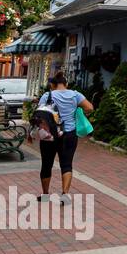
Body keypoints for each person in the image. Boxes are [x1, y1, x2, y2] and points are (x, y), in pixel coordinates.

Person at [36, 73, 92, 204]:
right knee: (66, 164)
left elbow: (39, 113)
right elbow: (90, 108)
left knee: (46, 164)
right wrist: (76, 109)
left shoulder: (47, 95)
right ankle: (65, 196)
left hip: (49, 135)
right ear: (66, 84)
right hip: (69, 134)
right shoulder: (75, 95)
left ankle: (45, 195)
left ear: (53, 85)